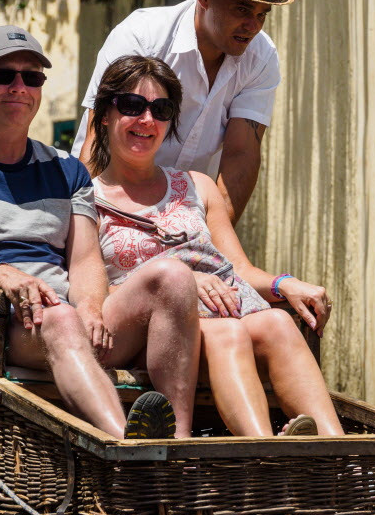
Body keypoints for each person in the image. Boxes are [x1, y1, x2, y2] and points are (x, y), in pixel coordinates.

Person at [0, 26, 198, 440]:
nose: (19, 86)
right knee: (61, 318)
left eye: (32, 77)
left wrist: (93, 310)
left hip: (67, 315)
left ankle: (178, 445)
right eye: (3, 75)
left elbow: (83, 261)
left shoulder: (68, 170)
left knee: (173, 276)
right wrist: (4, 275)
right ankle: (126, 445)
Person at [89, 55, 344, 437]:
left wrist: (284, 284)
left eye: (161, 109)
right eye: (131, 106)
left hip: (224, 307)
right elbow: (88, 292)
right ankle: (265, 452)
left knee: (277, 322)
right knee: (228, 331)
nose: (147, 120)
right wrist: (183, 282)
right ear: (104, 114)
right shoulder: (84, 199)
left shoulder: (197, 186)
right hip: (153, 324)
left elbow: (238, 268)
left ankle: (337, 456)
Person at [74, 0, 293, 223]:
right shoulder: (143, 36)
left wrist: (210, 242)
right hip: (109, 204)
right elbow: (98, 138)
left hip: (189, 218)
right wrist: (79, 230)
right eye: (242, 9)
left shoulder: (261, 56)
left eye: (262, 14)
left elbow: (241, 155)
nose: (252, 26)